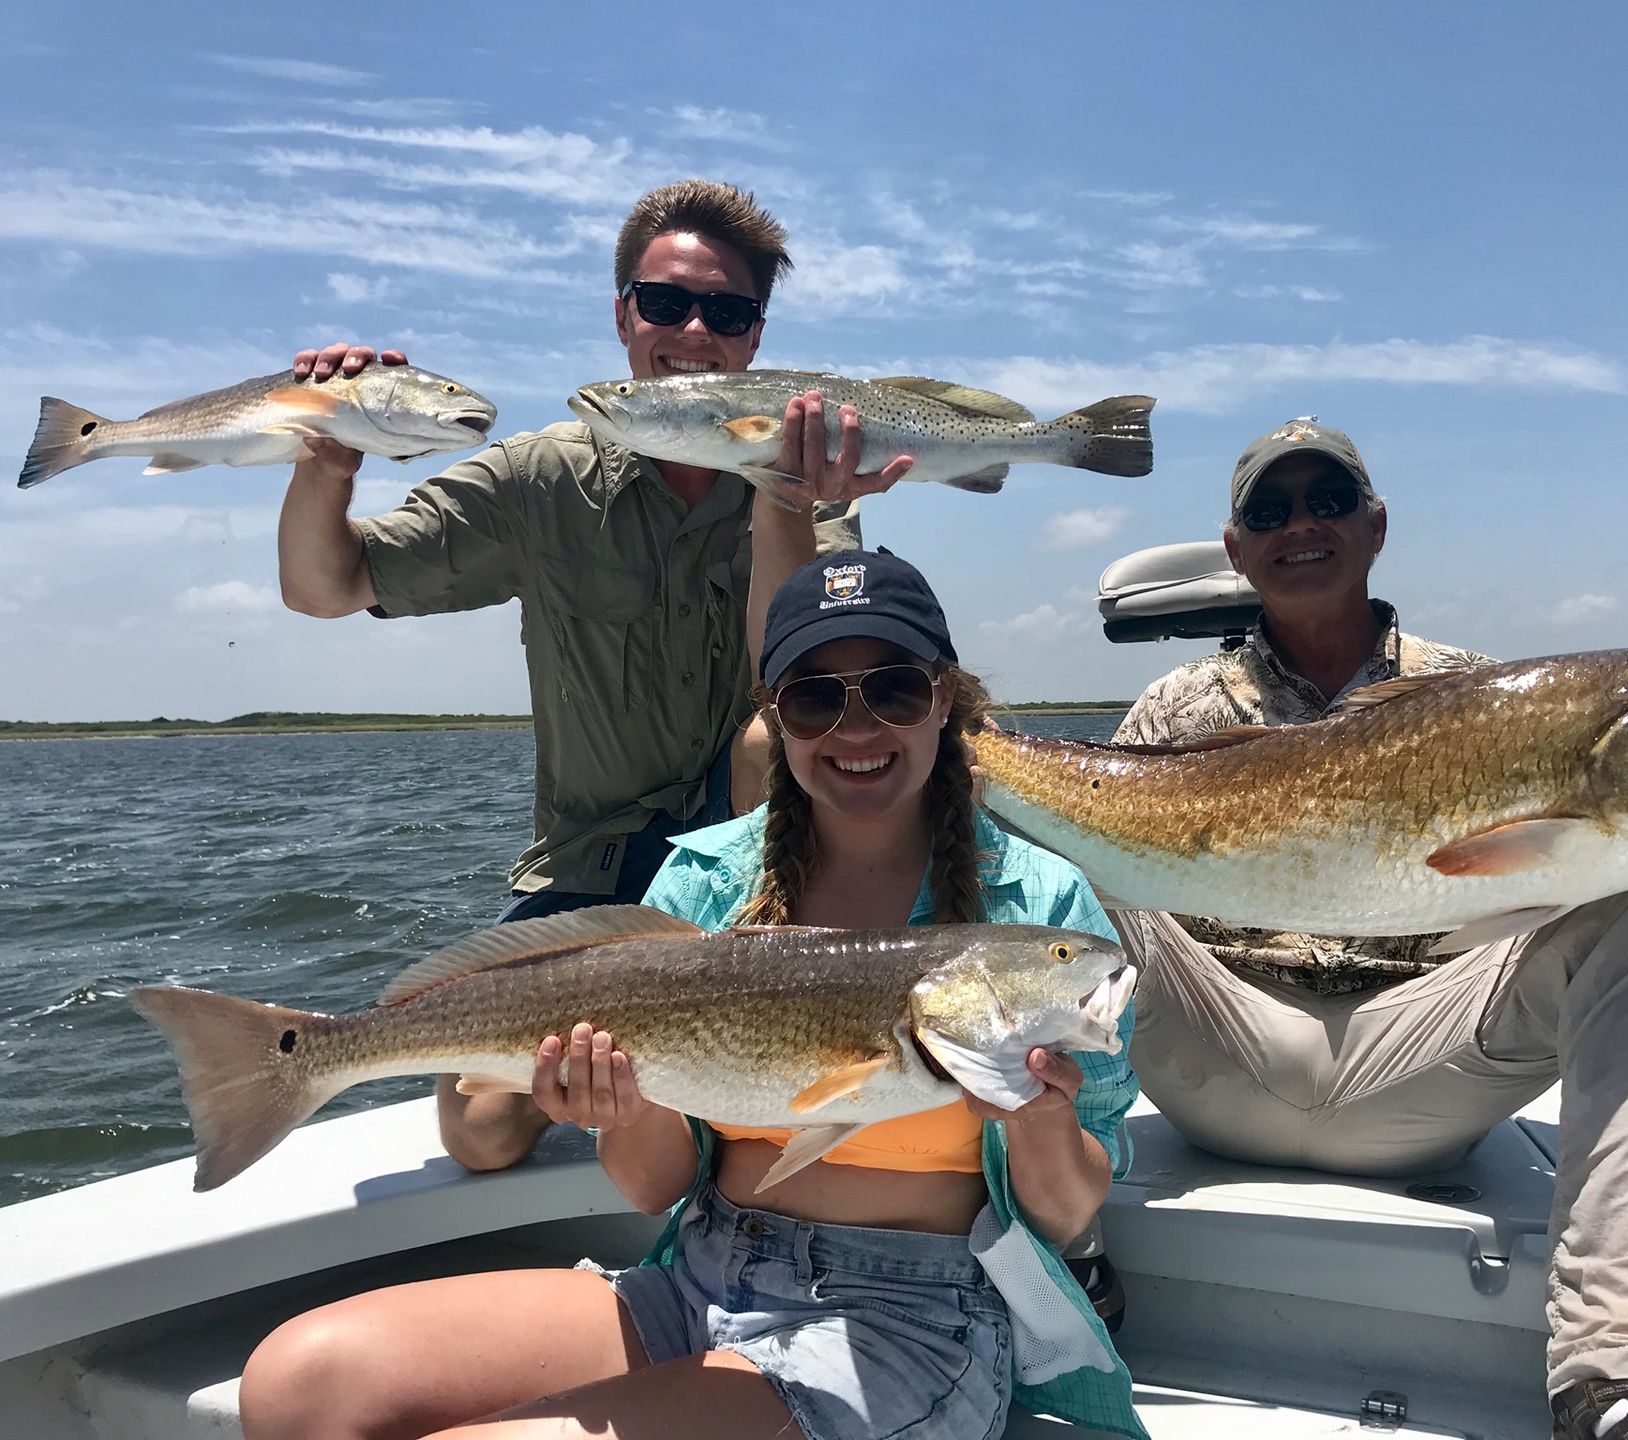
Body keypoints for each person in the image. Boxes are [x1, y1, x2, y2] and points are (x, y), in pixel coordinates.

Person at [238, 549, 1145, 1440]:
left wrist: (1035, 1116)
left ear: (943, 700)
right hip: (697, 1278)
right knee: (300, 1386)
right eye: (815, 698)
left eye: (895, 689)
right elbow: (652, 1187)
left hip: (912, 1324)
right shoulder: (707, 885)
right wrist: (613, 1105)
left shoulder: (1037, 904)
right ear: (775, 718)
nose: (856, 728)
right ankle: (310, 1055)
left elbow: (1065, 1214)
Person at [1110, 419, 1628, 1440]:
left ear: (1375, 524)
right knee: (1063, 884)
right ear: (1236, 549)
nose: (1300, 525)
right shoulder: (1173, 709)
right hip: (1214, 1054)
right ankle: (1036, 1235)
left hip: (1424, 1066)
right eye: (1269, 511)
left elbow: (1577, 878)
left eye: (1327, 502)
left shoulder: (1489, 697)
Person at [277, 179, 914, 1174]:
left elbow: (784, 679)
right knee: (479, 1137)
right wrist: (327, 461)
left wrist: (782, 498)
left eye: (727, 313)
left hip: (745, 866)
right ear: (624, 315)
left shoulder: (809, 476)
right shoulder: (538, 480)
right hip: (588, 862)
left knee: (770, 736)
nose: (692, 332)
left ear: (756, 340)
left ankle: (772, 1031)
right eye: (665, 303)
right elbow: (328, 586)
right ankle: (668, 1079)